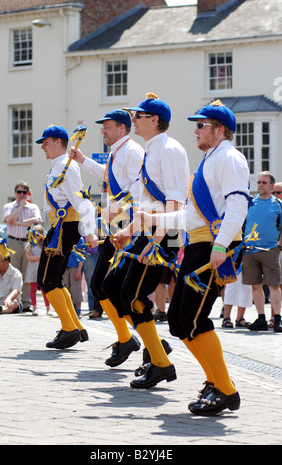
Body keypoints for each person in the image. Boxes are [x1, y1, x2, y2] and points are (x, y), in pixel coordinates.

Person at [140, 100, 250, 414]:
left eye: (201, 125)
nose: (196, 130)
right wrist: (154, 220)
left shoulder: (229, 157)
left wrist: (220, 245)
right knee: (178, 320)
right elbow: (190, 216)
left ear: (220, 130)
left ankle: (225, 389)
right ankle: (215, 381)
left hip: (215, 247)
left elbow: (238, 205)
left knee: (194, 319)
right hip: (200, 246)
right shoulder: (210, 160)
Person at [107, 93, 190, 389]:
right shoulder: (151, 149)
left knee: (132, 297)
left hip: (163, 234)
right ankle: (157, 355)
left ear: (155, 120)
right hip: (148, 232)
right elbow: (147, 202)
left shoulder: (170, 149)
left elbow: (175, 203)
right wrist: (128, 230)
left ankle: (160, 361)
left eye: (139, 116)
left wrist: (155, 242)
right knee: (118, 291)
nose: (134, 120)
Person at [70, 109, 145, 366]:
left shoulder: (132, 151)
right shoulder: (118, 152)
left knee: (110, 286)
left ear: (122, 128)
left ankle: (141, 341)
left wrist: (121, 213)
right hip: (116, 224)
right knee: (102, 285)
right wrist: (83, 160)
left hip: (127, 224)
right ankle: (130, 339)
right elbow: (109, 176)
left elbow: (139, 186)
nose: (103, 130)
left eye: (107, 126)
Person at [35, 124, 98, 349]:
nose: (42, 146)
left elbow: (83, 202)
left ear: (59, 142)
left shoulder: (67, 166)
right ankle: (75, 327)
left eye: (46, 141)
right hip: (60, 227)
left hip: (64, 228)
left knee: (46, 279)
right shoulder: (58, 166)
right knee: (53, 278)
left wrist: (90, 232)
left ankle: (70, 329)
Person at [242, 171, 282, 332]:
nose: (260, 185)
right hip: (250, 250)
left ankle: (277, 318)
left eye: (264, 182)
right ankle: (261, 318)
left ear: (271, 185)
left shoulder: (278, 204)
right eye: (259, 182)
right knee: (255, 286)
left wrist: (279, 246)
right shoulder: (250, 202)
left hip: (270, 249)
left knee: (274, 285)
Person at [3, 181, 42, 311]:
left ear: (27, 193)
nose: (21, 194)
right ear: (15, 193)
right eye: (19, 192)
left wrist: (18, 222)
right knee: (14, 272)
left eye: (24, 192)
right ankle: (13, 301)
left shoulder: (33, 207)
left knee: (27, 273)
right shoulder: (9, 206)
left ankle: (26, 303)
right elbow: (8, 220)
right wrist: (20, 208)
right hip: (13, 241)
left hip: (28, 242)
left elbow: (37, 220)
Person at [25, 225, 51, 316]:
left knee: (44, 289)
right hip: (33, 269)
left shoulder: (44, 244)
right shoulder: (29, 245)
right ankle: (34, 308)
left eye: (38, 234)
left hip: (42, 268)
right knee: (33, 289)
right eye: (34, 234)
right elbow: (29, 257)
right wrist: (40, 258)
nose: (36, 236)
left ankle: (48, 308)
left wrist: (35, 258)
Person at [269, 182, 282, 327]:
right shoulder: (273, 207)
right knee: (276, 285)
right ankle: (274, 317)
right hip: (275, 250)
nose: (275, 195)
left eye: (278, 192)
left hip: (278, 248)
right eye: (274, 192)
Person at [62, 251, 83, 318]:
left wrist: (79, 270)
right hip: (64, 267)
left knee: (75, 288)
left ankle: (78, 310)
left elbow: (82, 256)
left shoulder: (80, 240)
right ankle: (66, 311)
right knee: (65, 289)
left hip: (75, 267)